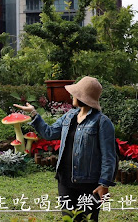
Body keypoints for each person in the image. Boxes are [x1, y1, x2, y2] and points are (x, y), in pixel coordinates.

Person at [14, 76, 117, 221]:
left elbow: (109, 156)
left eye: (75, 93)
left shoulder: (102, 122)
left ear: (83, 97)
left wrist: (104, 184)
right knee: (69, 219)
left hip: (89, 184)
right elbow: (49, 133)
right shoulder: (69, 116)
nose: (72, 95)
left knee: (87, 219)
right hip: (65, 181)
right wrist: (34, 113)